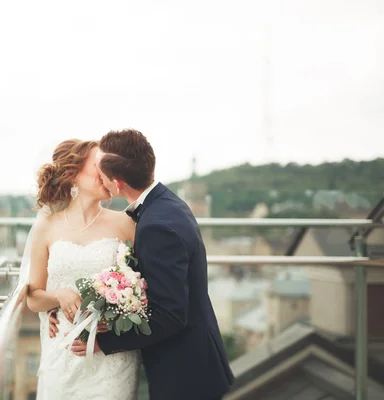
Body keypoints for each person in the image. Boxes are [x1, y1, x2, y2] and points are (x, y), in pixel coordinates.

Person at [67, 129, 235, 400]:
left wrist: (104, 342)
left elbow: (170, 316)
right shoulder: (167, 204)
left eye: (103, 175)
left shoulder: (157, 226)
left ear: (118, 184)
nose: (101, 180)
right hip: (193, 361)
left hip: (184, 373)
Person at [24, 139, 140, 400]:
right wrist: (57, 297)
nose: (109, 173)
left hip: (112, 361)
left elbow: (144, 287)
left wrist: (116, 315)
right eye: (100, 166)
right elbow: (33, 297)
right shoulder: (47, 227)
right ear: (72, 175)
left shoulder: (126, 223)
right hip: (63, 353)